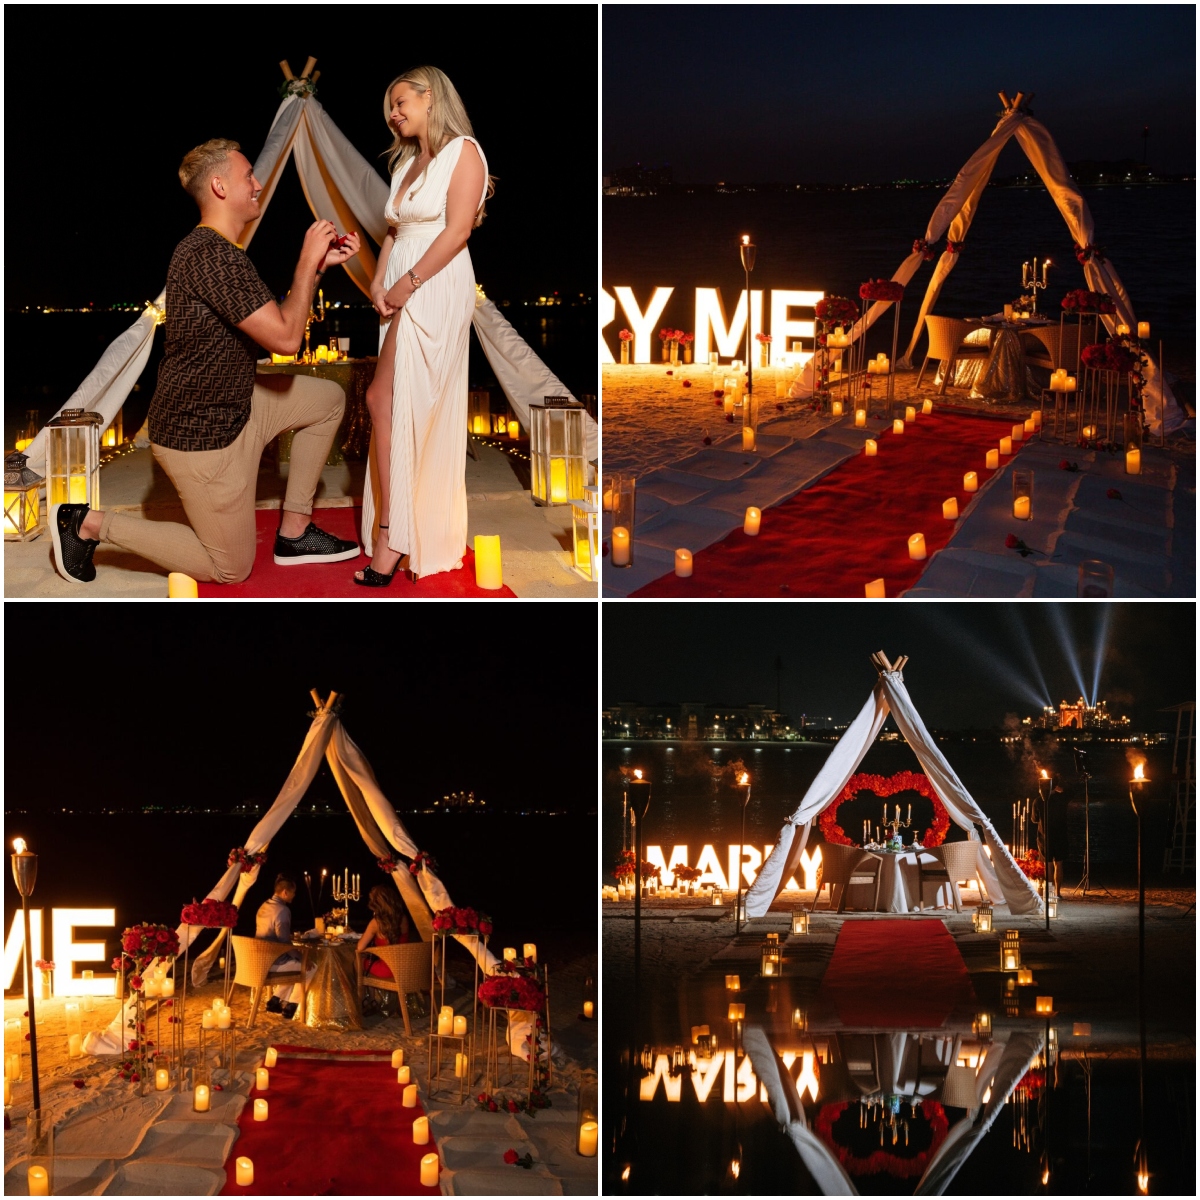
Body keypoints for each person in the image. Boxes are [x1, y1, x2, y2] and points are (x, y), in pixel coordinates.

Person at [51, 138, 363, 586]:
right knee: (230, 569)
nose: (258, 185)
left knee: (327, 398)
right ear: (219, 186)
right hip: (202, 436)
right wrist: (306, 259)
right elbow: (288, 339)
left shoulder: (219, 252)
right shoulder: (211, 255)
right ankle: (84, 523)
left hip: (238, 404)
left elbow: (277, 323)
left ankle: (294, 530)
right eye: (248, 176)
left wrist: (313, 272)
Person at [355, 66, 492, 585]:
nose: (393, 112)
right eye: (390, 105)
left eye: (400, 100)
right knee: (394, 404)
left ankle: (395, 532)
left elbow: (457, 231)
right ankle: (399, 526)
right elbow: (395, 229)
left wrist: (406, 284)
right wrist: (376, 280)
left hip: (433, 286)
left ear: (430, 97)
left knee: (385, 400)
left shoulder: (465, 152)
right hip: (400, 284)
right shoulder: (407, 163)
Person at [256, 873, 308, 1018]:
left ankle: (276, 1000)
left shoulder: (264, 905)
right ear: (285, 892)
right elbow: (284, 942)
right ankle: (291, 1005)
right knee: (310, 967)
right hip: (273, 963)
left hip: (259, 960)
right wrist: (302, 958)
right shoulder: (283, 910)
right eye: (293, 892)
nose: (294, 895)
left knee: (296, 963)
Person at [358, 885, 412, 982]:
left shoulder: (376, 923)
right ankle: (374, 995)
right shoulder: (403, 918)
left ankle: (363, 995)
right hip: (405, 969)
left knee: (358, 962)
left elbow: (360, 947)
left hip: (388, 970)